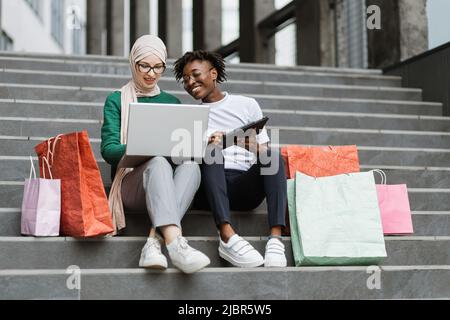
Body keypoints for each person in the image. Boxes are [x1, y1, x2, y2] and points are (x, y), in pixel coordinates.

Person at [101, 35, 210, 274]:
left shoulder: (171, 101)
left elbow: (182, 152)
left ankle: (153, 243)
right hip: (131, 182)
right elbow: (108, 150)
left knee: (191, 167)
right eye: (145, 66)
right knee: (158, 160)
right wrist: (144, 147)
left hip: (166, 181)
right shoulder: (116, 100)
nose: (151, 73)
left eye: (158, 66)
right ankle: (176, 245)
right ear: (133, 63)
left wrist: (196, 142)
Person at [173, 50, 288, 268]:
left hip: (244, 186)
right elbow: (183, 162)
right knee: (211, 151)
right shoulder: (188, 115)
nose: (190, 82)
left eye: (196, 75)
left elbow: (264, 152)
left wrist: (237, 141)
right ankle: (226, 235)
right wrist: (205, 145)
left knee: (273, 155)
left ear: (213, 73)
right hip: (207, 189)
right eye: (186, 79)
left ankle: (275, 239)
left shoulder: (246, 105)